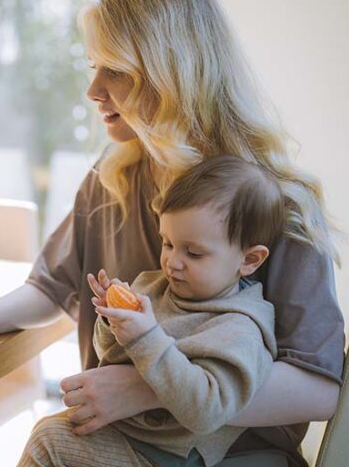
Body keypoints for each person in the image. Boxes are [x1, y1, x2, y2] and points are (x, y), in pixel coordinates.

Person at [0, 0, 344, 465]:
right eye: (93, 68)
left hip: (233, 456)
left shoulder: (275, 202)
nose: (93, 91)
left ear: (172, 74)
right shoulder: (113, 176)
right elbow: (52, 287)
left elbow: (319, 388)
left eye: (117, 71)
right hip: (118, 443)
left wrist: (149, 388)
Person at [18, 155, 284, 467]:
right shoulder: (154, 286)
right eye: (167, 243)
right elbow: (110, 357)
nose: (173, 261)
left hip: (168, 455)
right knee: (50, 428)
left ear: (249, 260)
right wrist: (113, 321)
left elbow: (207, 411)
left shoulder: (240, 328)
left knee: (48, 442)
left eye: (193, 253)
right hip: (126, 432)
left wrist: (146, 337)